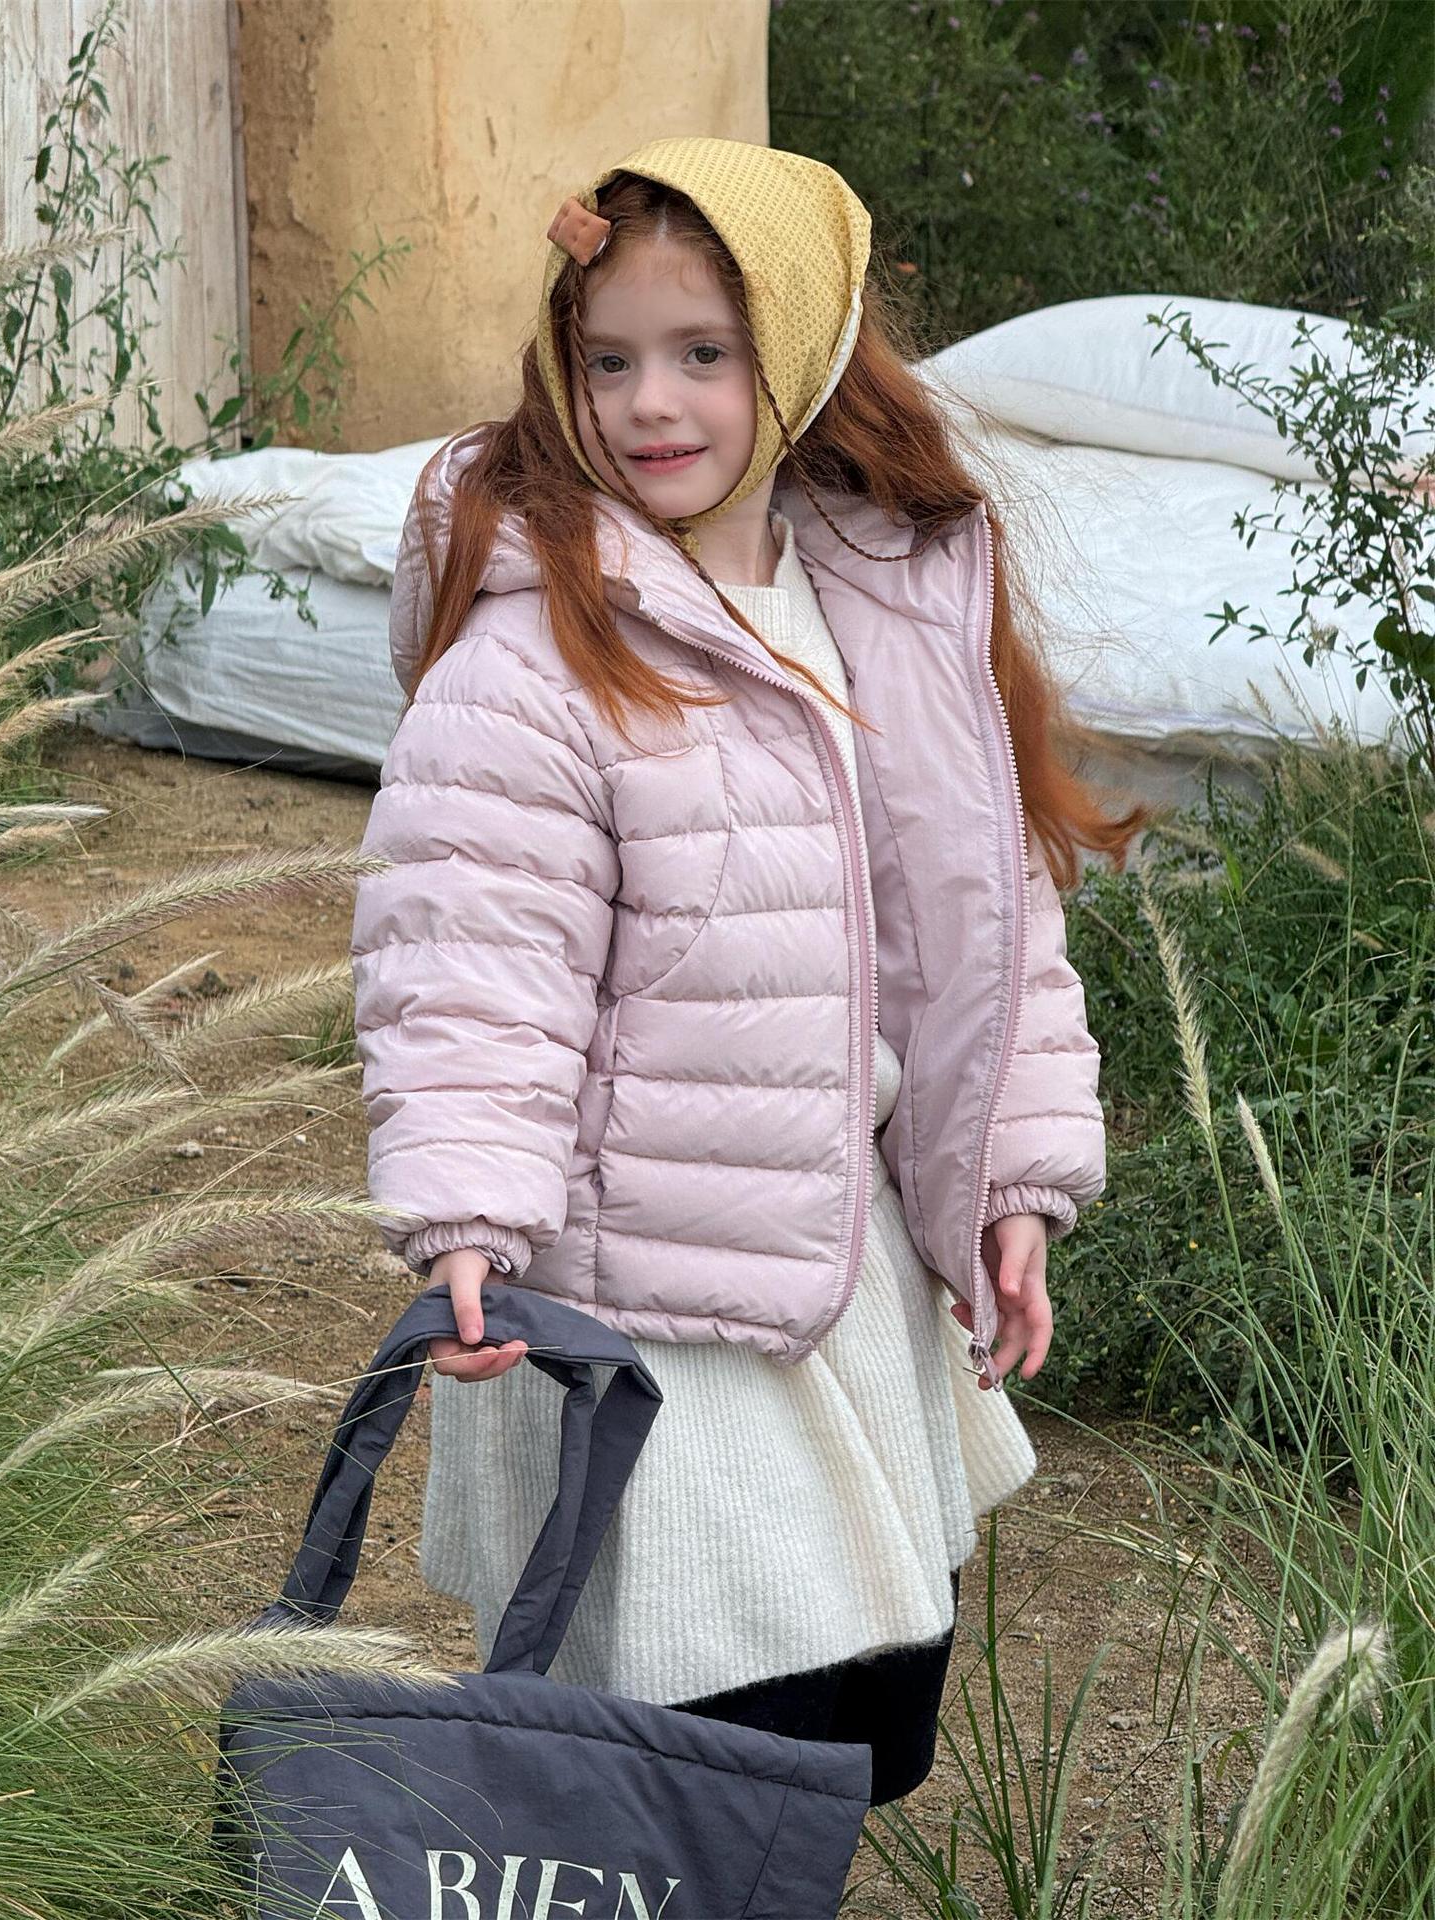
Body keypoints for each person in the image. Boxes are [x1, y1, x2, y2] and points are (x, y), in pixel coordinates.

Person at [350, 136, 1149, 1808]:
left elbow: (986, 927)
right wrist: (470, 1212)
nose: (652, 403)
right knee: (701, 1752)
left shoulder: (883, 603)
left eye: (704, 353)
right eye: (609, 360)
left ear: (798, 350)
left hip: (841, 1273)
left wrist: (1011, 1178)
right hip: (648, 1297)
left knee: (854, 1740)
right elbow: (475, 958)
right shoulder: (537, 645)